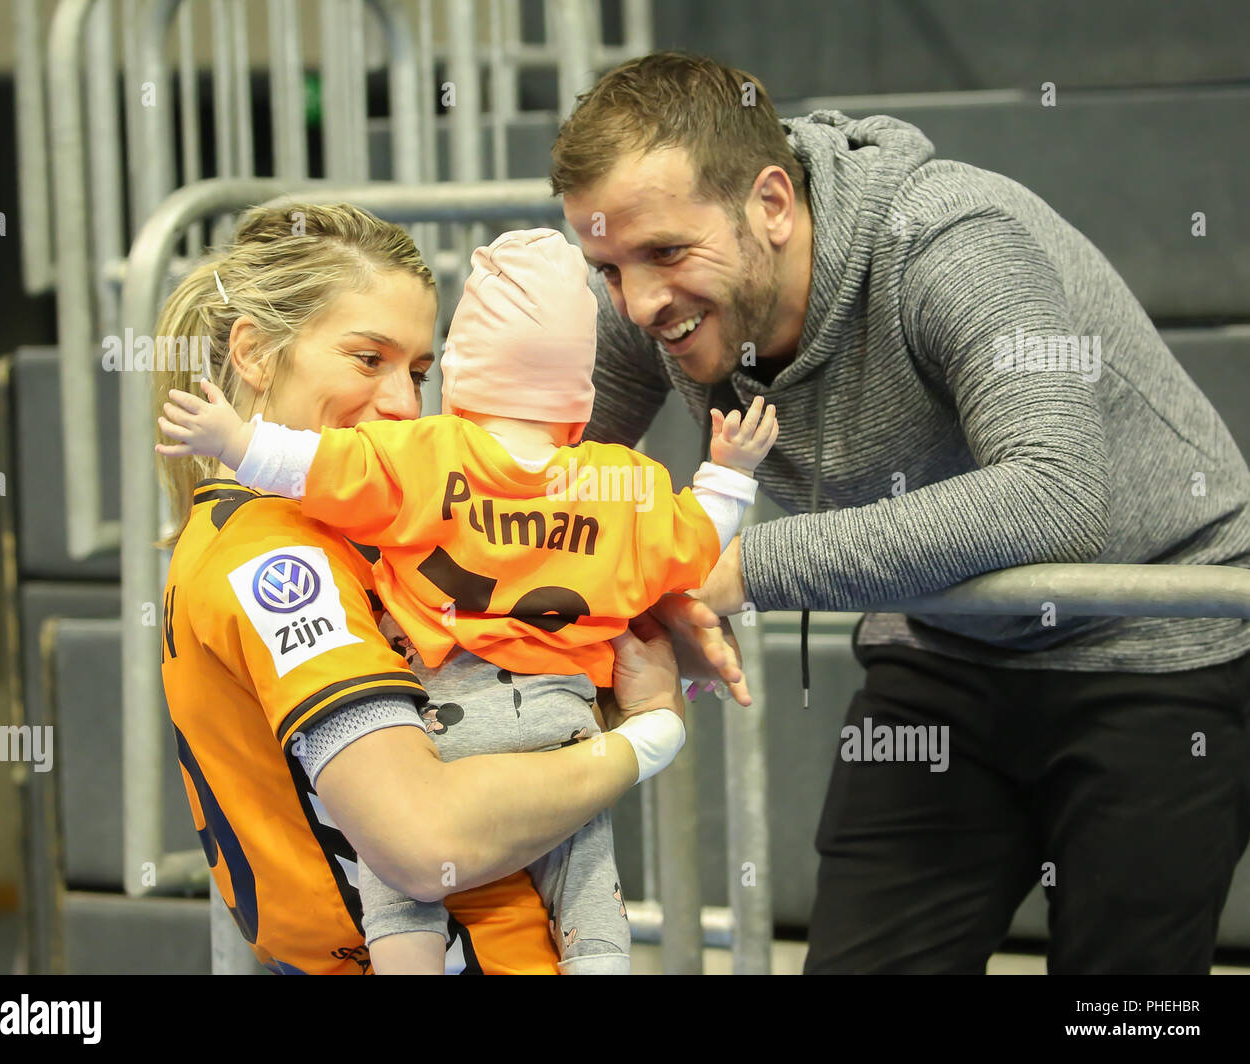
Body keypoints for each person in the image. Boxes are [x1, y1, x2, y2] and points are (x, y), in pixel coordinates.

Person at [552, 51, 1250, 974]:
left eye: (667, 254)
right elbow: (538, 480)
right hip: (946, 650)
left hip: (1159, 640)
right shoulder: (656, 304)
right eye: (606, 265)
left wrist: (739, 570)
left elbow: (1056, 494)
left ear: (771, 203)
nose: (639, 301)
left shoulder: (952, 242)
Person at [156, 225, 778, 974]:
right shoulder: (282, 556)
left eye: (418, 370)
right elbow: (426, 841)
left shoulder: (361, 529)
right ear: (254, 353)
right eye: (368, 359)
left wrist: (643, 603)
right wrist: (647, 738)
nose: (400, 404)